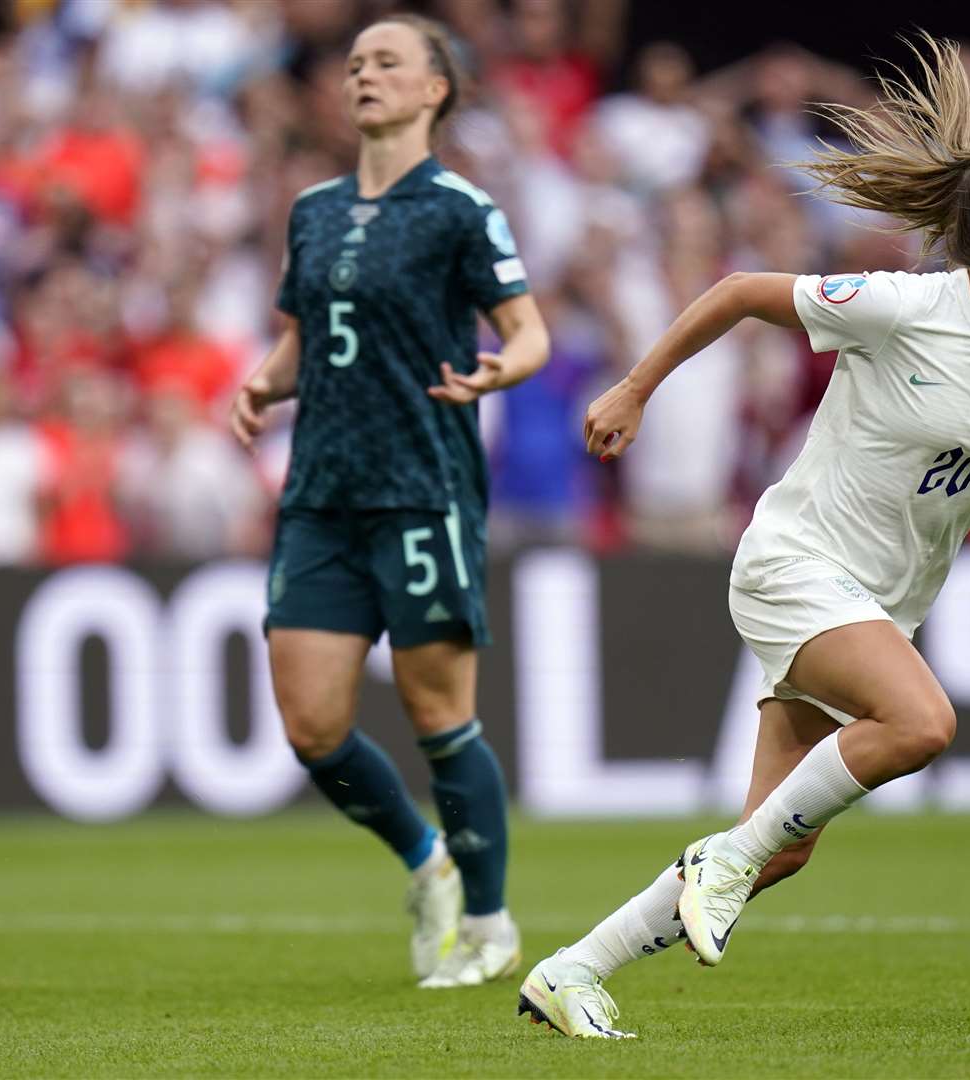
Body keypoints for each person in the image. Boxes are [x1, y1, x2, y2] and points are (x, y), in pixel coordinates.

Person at [516, 35, 970, 1039]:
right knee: (920, 725)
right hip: (796, 565)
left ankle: (575, 969)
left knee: (779, 844)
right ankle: (721, 862)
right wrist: (632, 388)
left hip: (883, 600)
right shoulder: (901, 308)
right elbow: (739, 292)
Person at [228, 14, 549, 989]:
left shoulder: (460, 208)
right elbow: (311, 333)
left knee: (438, 714)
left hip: (422, 484)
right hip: (321, 490)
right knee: (310, 726)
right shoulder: (314, 208)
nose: (363, 75)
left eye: (386, 63)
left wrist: (502, 374)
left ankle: (491, 925)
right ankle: (427, 860)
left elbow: (527, 330)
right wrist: (264, 381)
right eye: (355, 63)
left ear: (434, 90)